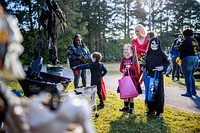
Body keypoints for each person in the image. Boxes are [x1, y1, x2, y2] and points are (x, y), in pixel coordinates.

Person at [143, 37, 169, 119]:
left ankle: (159, 112)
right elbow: (146, 63)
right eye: (152, 43)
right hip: (150, 75)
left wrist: (162, 67)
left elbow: (167, 62)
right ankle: (151, 110)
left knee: (158, 93)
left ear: (159, 45)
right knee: (150, 92)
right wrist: (144, 67)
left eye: (156, 44)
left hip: (157, 76)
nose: (154, 45)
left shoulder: (161, 53)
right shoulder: (148, 53)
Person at [119, 44, 142, 114]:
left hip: (132, 78)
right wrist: (123, 70)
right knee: (125, 92)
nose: (125, 51)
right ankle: (126, 106)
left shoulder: (133, 58)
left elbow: (137, 69)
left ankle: (132, 108)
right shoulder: (123, 60)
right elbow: (120, 69)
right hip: (125, 78)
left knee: (131, 93)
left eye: (127, 49)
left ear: (131, 50)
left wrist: (130, 67)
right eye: (124, 50)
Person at [177, 29, 199, 97]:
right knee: (191, 75)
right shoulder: (194, 40)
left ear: (185, 35)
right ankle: (193, 91)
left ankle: (189, 92)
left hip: (188, 59)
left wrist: (178, 43)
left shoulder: (186, 41)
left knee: (187, 76)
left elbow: (179, 49)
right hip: (195, 58)